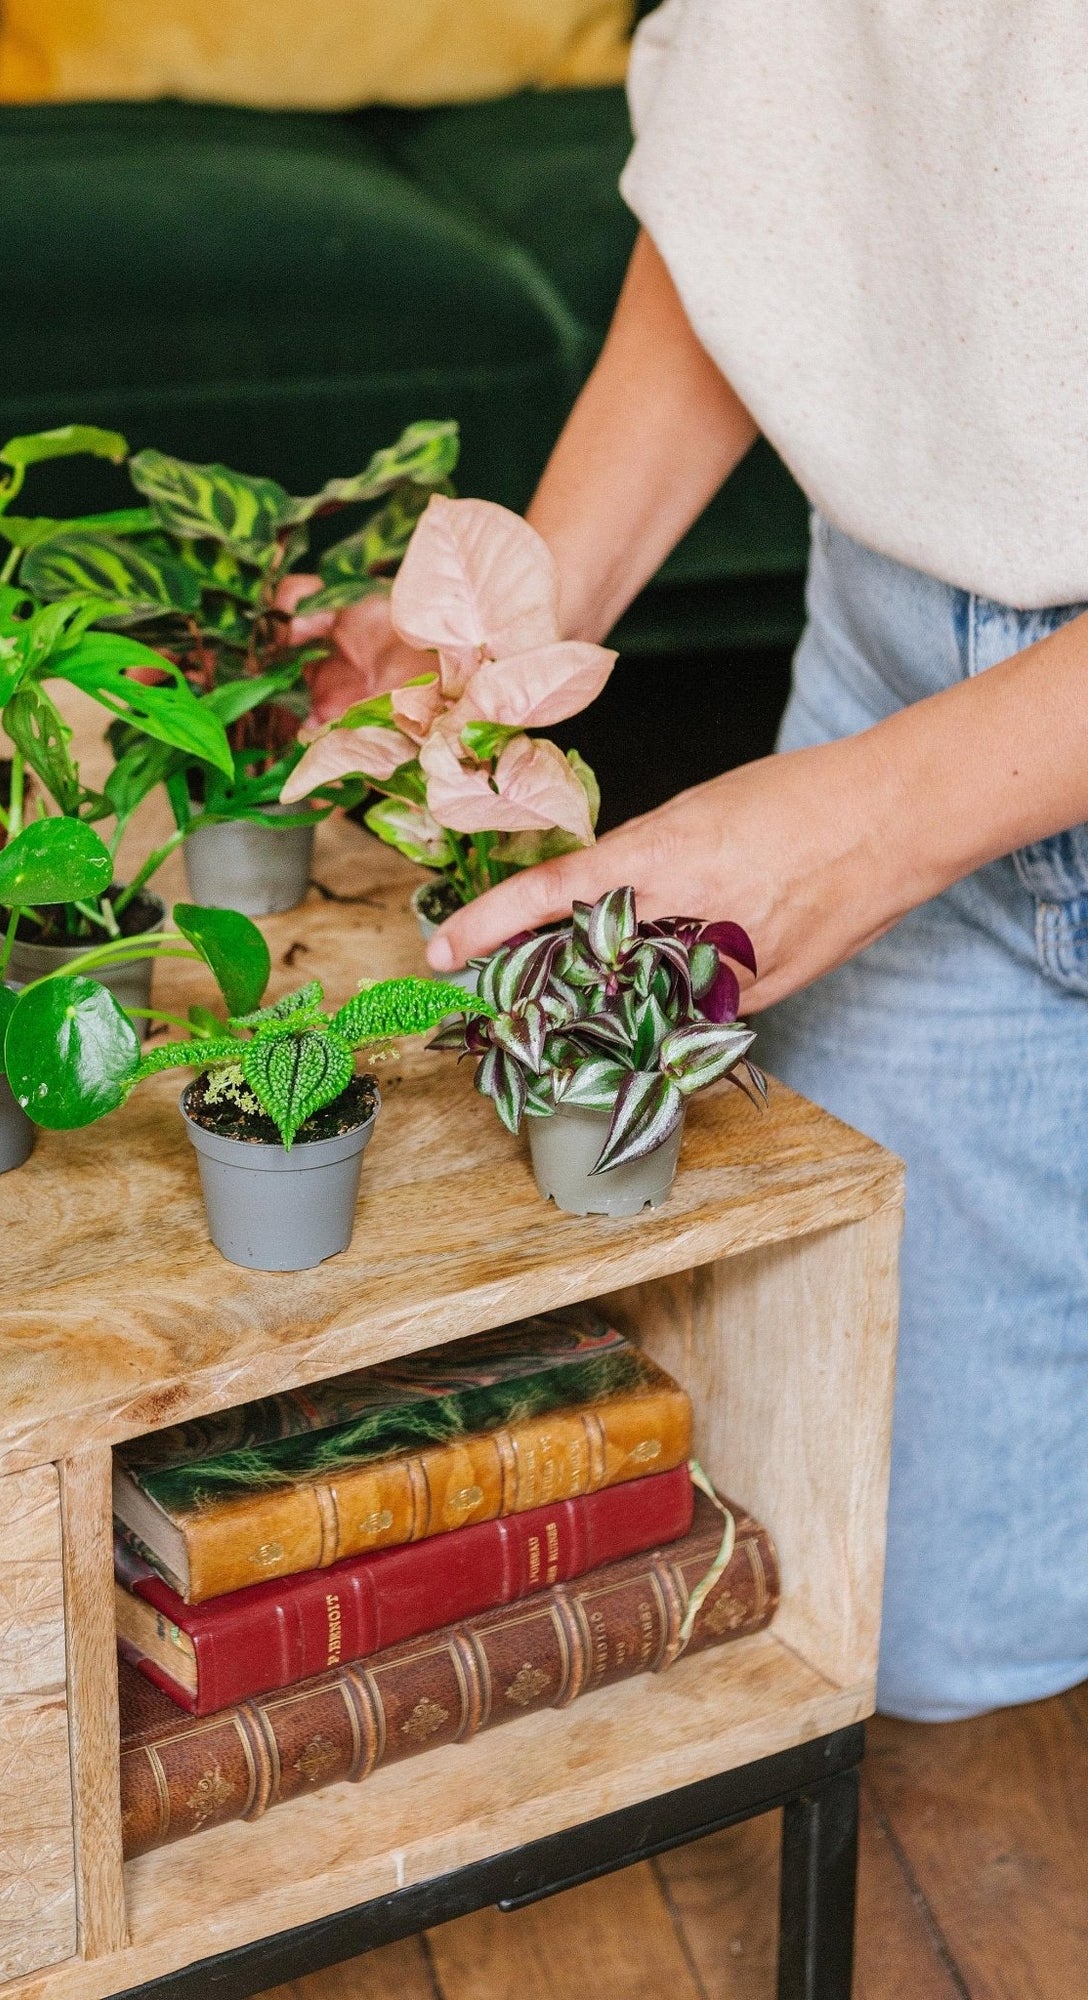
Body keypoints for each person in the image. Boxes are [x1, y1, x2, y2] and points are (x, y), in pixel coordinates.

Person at [423, 1, 1088, 1723]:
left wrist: (854, 832)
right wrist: (511, 635)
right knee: (914, 1634)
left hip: (961, 752)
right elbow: (775, 170)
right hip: (902, 637)